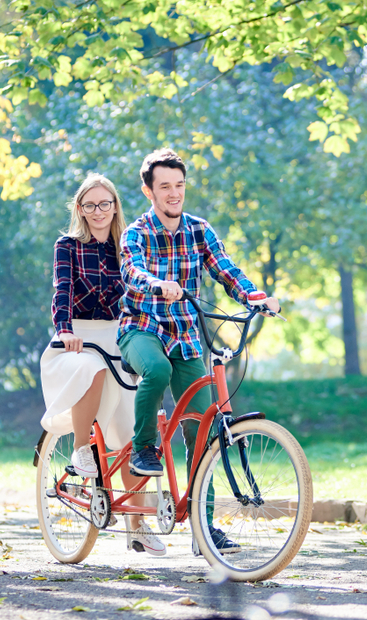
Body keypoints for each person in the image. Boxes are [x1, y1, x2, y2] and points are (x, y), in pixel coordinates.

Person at [117, 149, 280, 557]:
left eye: (179, 186)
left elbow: (225, 268)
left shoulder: (198, 229)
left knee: (203, 431)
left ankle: (202, 530)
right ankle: (143, 447)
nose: (174, 194)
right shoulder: (135, 233)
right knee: (153, 370)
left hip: (187, 336)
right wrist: (157, 283)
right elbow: (132, 273)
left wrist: (255, 296)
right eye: (165, 187)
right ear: (148, 191)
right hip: (142, 327)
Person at [38, 173, 165, 556]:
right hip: (76, 337)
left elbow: (141, 290)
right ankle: (81, 453)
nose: (98, 211)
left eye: (105, 204)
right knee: (90, 367)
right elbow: (62, 291)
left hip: (118, 335)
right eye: (90, 205)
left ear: (115, 207)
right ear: (80, 209)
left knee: (131, 434)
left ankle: (136, 526)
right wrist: (64, 329)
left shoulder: (125, 247)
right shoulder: (68, 246)